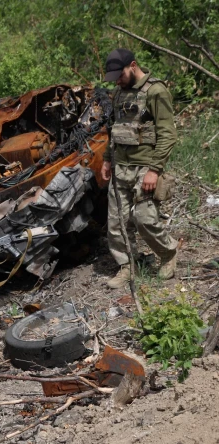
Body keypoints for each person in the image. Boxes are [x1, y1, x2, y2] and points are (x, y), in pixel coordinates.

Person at [101, 48, 178, 289]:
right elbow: (114, 129)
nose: (118, 81)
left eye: (120, 75)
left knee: (145, 218)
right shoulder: (119, 93)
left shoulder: (156, 91)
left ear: (133, 65)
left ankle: (168, 254)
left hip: (145, 166)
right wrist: (106, 159)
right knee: (116, 223)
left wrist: (154, 170)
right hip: (120, 166)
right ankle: (127, 265)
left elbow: (168, 135)